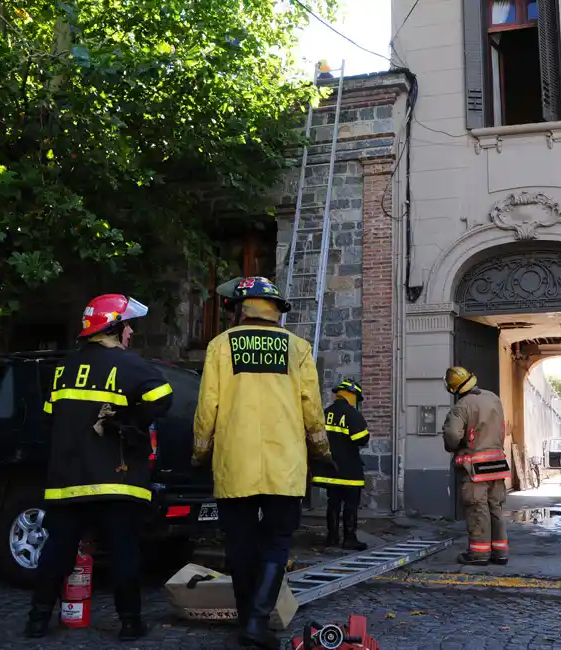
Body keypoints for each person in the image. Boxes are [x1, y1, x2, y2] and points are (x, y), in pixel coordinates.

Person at [192, 276, 334, 650]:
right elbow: (311, 409)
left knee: (239, 545)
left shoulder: (221, 345)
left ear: (241, 308)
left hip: (234, 463)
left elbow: (207, 407)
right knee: (276, 543)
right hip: (284, 464)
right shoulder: (298, 347)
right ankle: (257, 622)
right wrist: (321, 451)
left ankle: (246, 618)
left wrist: (199, 452)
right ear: (275, 310)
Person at [24, 294, 174, 640]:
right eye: (128, 326)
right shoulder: (131, 367)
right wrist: (131, 419)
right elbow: (162, 398)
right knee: (124, 553)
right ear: (114, 327)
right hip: (116, 480)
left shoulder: (63, 369)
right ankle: (130, 623)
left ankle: (37, 619)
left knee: (56, 553)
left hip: (69, 481)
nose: (132, 333)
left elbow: (49, 418)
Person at [441, 366, 511, 566]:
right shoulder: (493, 398)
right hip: (497, 463)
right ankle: (500, 552)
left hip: (475, 467)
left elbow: (453, 435)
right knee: (495, 507)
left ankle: (479, 554)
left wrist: (453, 447)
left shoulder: (462, 406)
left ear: (454, 388)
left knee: (477, 508)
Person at [311, 378, 370, 551]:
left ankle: (332, 537)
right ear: (352, 395)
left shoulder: (325, 412)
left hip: (330, 468)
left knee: (333, 502)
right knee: (351, 504)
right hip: (349, 470)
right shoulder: (352, 414)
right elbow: (362, 439)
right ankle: (349, 538)